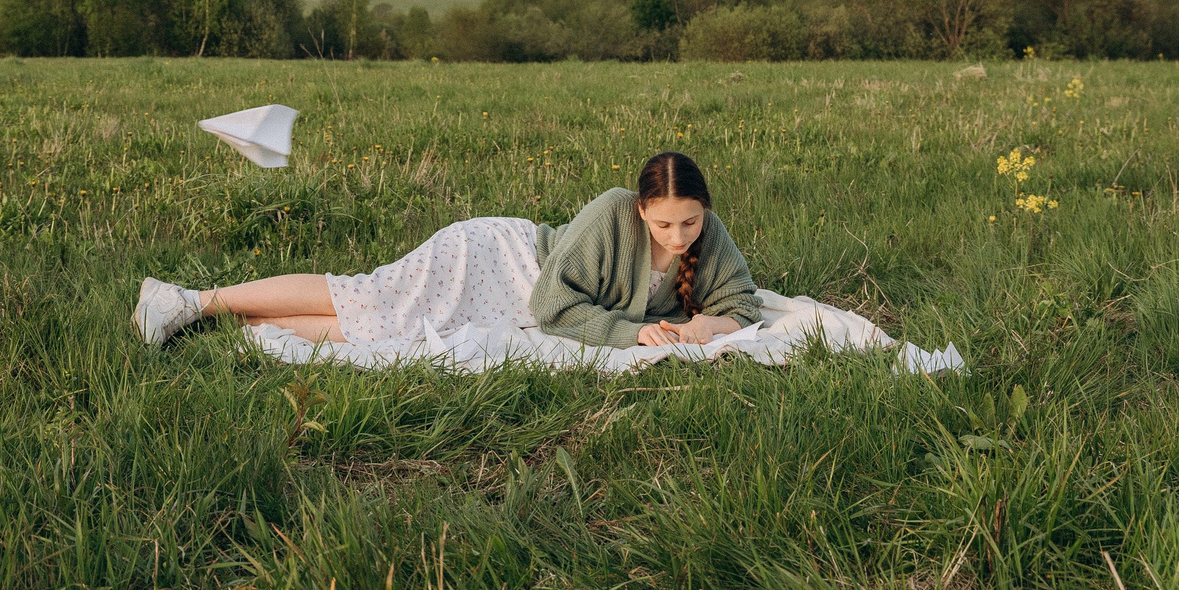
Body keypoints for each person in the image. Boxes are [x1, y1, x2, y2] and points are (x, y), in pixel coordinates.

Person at [134, 150, 764, 348]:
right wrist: (632, 335)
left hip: (513, 300)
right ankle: (191, 299)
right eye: (664, 226)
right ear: (641, 210)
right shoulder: (609, 214)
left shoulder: (706, 231)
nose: (678, 237)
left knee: (388, 332)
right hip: (498, 259)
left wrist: (714, 323)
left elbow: (742, 301)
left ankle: (230, 327)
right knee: (372, 294)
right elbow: (552, 306)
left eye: (689, 224)